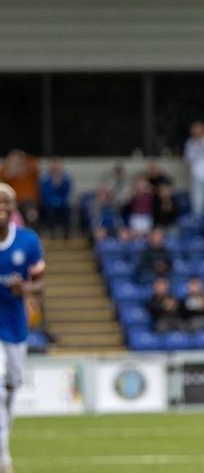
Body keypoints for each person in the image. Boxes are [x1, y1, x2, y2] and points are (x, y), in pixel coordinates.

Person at [0, 182, 45, 472]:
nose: (0, 210)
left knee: (11, 390)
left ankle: (3, 441)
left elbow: (40, 284)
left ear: (13, 209)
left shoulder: (28, 241)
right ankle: (3, 458)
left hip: (15, 326)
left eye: (5, 205)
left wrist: (25, 289)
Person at [0, 150, 40, 229]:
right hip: (12, 201)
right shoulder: (8, 171)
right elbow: (2, 179)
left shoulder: (29, 169)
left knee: (31, 214)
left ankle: (30, 233)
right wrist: (11, 167)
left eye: (19, 159)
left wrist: (24, 161)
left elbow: (36, 169)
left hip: (27, 201)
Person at [39, 157, 72, 239]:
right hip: (49, 203)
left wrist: (60, 184)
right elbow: (44, 193)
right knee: (49, 210)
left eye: (58, 165)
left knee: (67, 209)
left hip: (62, 202)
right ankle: (52, 232)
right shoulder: (45, 178)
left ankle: (66, 233)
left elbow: (67, 192)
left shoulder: (65, 179)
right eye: (54, 165)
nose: (56, 168)